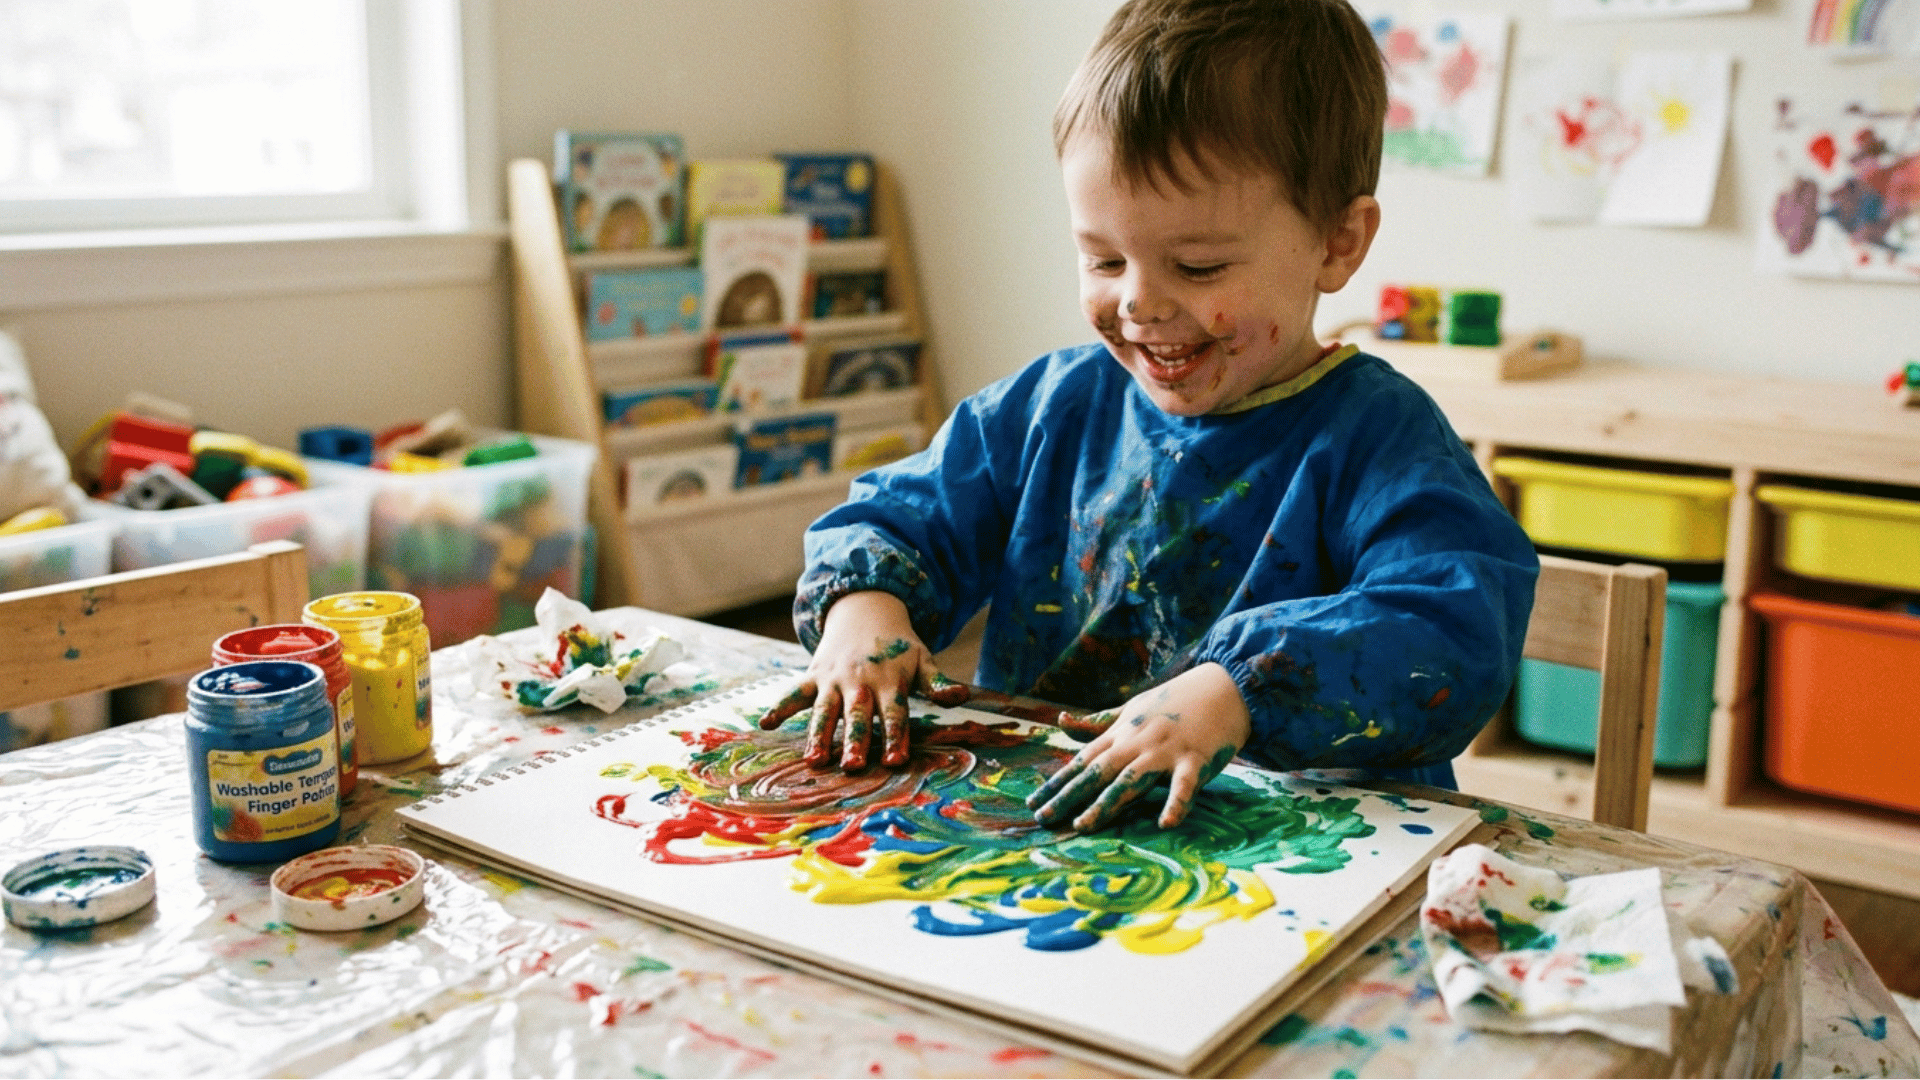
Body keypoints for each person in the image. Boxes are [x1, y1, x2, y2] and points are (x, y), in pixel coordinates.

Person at [761, 0, 1538, 835]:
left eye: (1198, 265)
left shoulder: (1378, 439)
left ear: (1337, 243)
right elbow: (894, 518)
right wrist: (862, 607)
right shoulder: (1049, 410)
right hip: (1050, 837)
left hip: (1293, 858)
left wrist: (1239, 687)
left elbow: (1454, 621)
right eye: (1103, 257)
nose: (1138, 300)